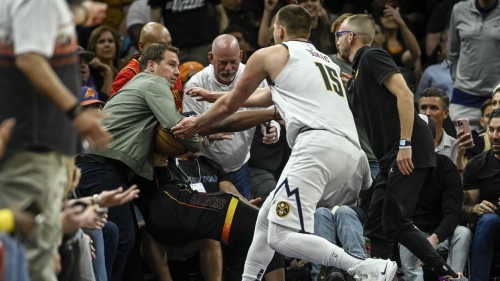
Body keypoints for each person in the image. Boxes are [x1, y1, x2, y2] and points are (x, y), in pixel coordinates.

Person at [173, 5, 398, 280]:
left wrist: (197, 123)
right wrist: (212, 95)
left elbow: (234, 102)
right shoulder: (324, 60)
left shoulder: (270, 54)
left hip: (316, 146)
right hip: (351, 154)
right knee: (265, 223)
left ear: (279, 29)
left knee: (280, 236)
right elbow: (265, 96)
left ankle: (364, 267)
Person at [337, 14, 465, 280]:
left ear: (351, 37)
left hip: (407, 148)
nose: (336, 41)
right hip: (388, 156)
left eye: (339, 35)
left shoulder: (372, 56)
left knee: (394, 221)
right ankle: (381, 274)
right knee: (376, 224)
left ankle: (448, 275)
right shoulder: (359, 73)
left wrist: (405, 144)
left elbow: (406, 95)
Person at [0, 0, 111, 280]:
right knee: (34, 258)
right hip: (33, 148)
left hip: (41, 148)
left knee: (38, 252)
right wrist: (76, 113)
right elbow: (30, 60)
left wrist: (81, 13)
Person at [76, 43, 201, 281]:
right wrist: (198, 143)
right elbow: (174, 125)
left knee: (114, 236)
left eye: (178, 66)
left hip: (97, 166)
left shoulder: (135, 86)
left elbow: (140, 132)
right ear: (151, 66)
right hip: (101, 166)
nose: (177, 72)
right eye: (171, 64)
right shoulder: (154, 82)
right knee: (121, 236)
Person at [183, 34, 278, 200]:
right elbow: (190, 133)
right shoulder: (195, 85)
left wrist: (273, 130)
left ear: (241, 55)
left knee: (243, 218)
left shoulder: (253, 77)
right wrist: (208, 135)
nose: (228, 68)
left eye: (233, 62)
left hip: (240, 165)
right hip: (207, 167)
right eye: (223, 62)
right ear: (211, 58)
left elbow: (272, 112)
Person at [398, 115, 471, 281]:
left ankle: (453, 278)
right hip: (412, 232)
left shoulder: (446, 167)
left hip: (440, 234)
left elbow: (453, 213)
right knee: (404, 231)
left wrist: (435, 238)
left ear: (431, 141)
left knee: (463, 233)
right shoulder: (400, 167)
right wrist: (420, 242)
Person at [447, 0, 500, 130]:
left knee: (496, 145)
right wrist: (459, 80)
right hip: (463, 98)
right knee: (462, 143)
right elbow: (452, 53)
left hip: (496, 98)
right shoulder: (459, 10)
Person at [462, 108, 500, 281]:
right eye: (491, 130)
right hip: (493, 228)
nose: (495, 136)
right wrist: (475, 208)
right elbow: (465, 210)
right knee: (488, 219)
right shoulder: (477, 165)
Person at [111, 22, 185, 111]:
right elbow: (116, 113)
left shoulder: (174, 68)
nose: (167, 50)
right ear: (142, 46)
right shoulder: (129, 74)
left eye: (169, 44)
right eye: (160, 45)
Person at [149, 0, 229, 65]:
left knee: (204, 81)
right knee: (175, 82)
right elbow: (155, 23)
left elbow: (222, 14)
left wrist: (220, 40)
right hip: (175, 47)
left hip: (203, 45)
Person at [419, 87, 457, 161]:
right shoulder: (408, 144)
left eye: (433, 108)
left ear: (445, 113)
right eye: (423, 108)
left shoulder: (455, 147)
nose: (427, 113)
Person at [87, 26, 121, 101]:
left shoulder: (124, 70)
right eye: (101, 41)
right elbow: (105, 103)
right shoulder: (89, 74)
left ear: (116, 47)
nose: (107, 45)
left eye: (110, 41)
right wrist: (108, 72)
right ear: (93, 48)